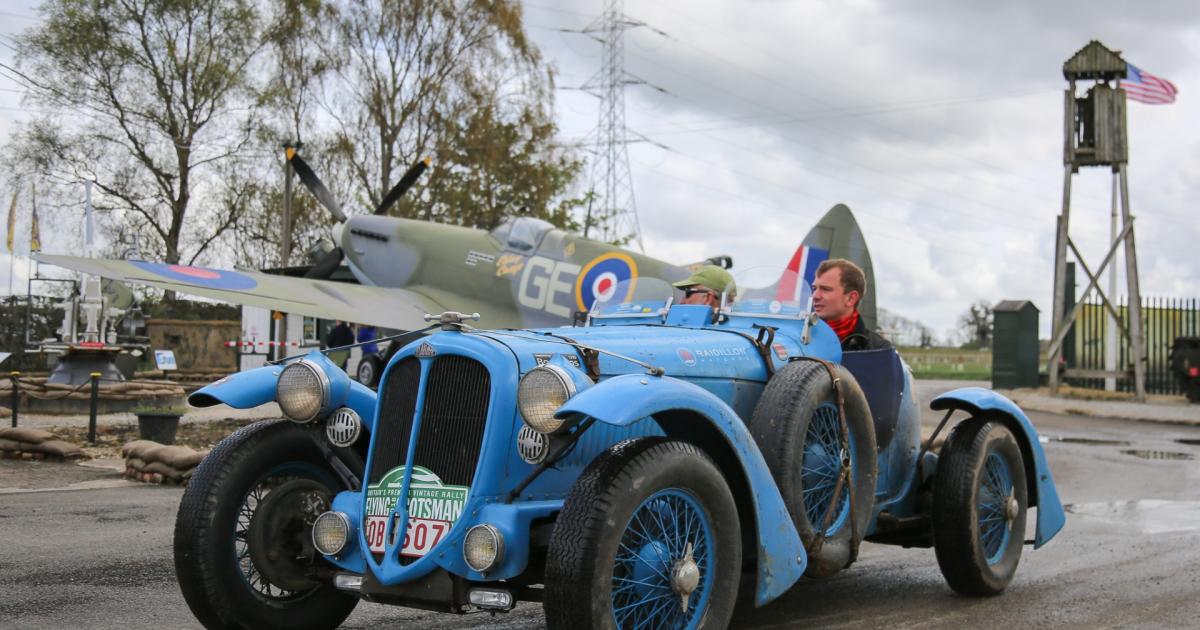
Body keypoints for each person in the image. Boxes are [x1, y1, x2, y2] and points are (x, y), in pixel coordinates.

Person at [811, 258, 890, 351]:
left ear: (851, 298)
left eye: (826, 289)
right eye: (814, 288)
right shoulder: (798, 339)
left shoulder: (879, 350)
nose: (815, 296)